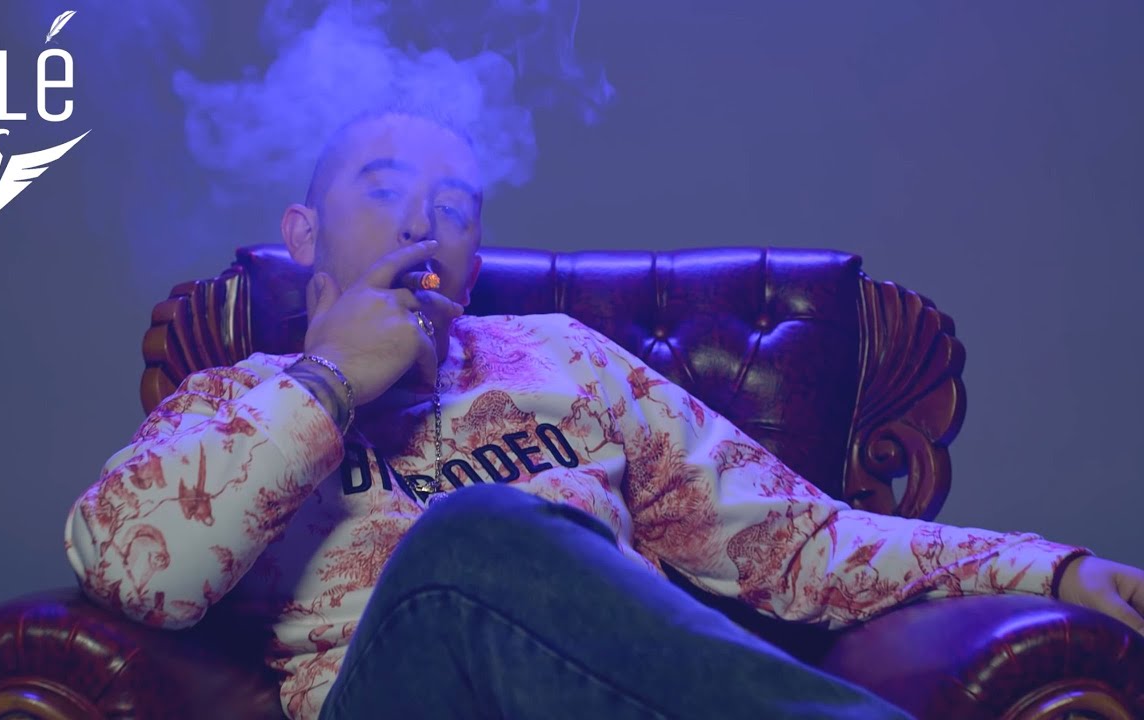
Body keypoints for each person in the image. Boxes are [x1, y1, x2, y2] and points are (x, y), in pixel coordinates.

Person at [65, 109, 1144, 720]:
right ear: (302, 234)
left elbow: (799, 545)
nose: (422, 219)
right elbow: (136, 575)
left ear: (472, 256)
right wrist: (331, 378)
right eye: (383, 188)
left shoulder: (564, 360)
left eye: (455, 207)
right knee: (474, 536)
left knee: (504, 531)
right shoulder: (232, 401)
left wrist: (1045, 571)